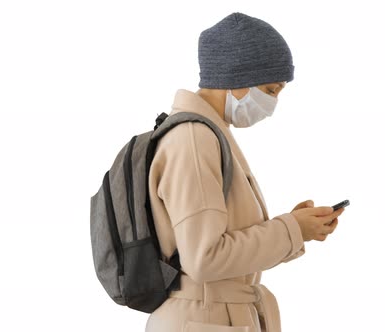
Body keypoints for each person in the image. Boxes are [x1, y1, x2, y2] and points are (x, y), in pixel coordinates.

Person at [145, 12, 345, 332]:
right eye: (270, 89)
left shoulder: (207, 134)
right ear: (236, 77)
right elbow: (205, 258)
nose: (273, 102)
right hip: (202, 318)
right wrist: (291, 229)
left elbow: (222, 252)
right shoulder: (194, 140)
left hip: (210, 316)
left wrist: (297, 229)